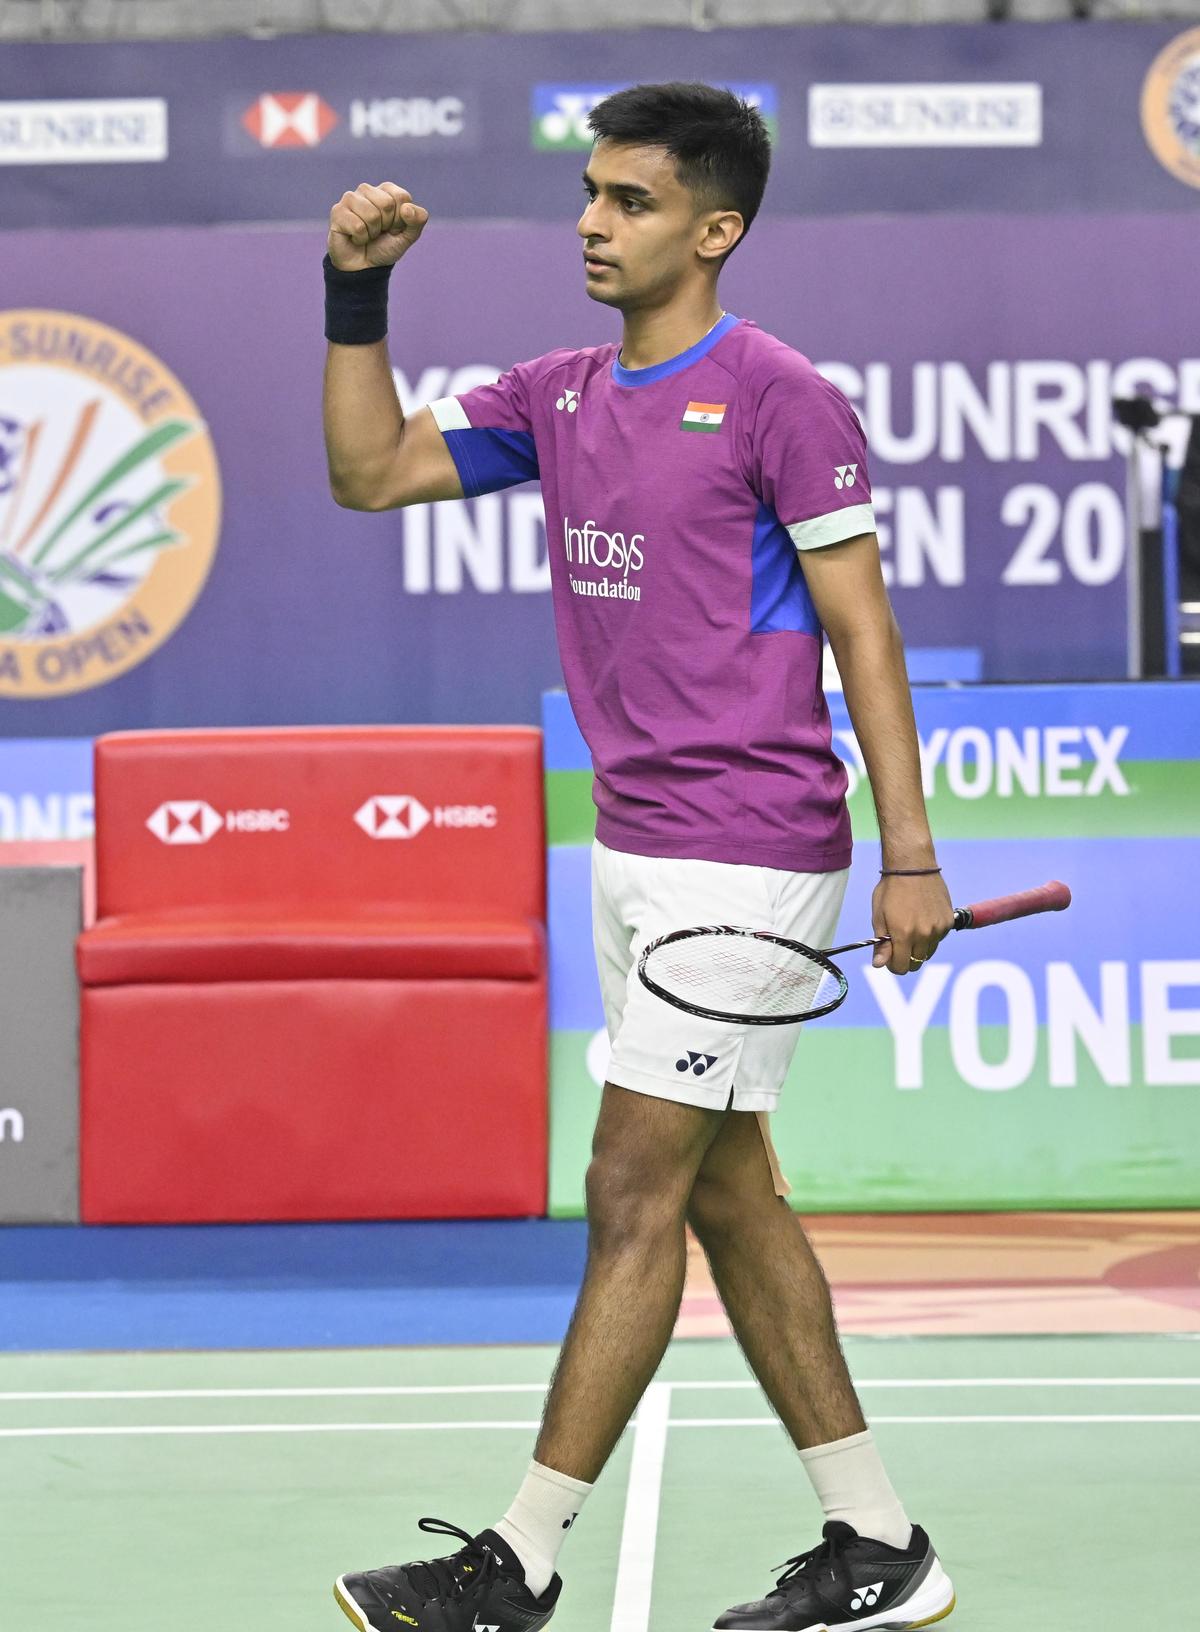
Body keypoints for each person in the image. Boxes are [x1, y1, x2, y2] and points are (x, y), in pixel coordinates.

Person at [322, 81, 956, 1632]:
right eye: (591, 195)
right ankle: (880, 1543)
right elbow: (371, 474)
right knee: (730, 1193)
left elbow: (864, 631)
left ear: (716, 228)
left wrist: (911, 854)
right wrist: (358, 295)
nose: (594, 223)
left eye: (634, 201)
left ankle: (518, 1560)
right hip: (637, 845)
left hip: (745, 852)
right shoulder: (560, 393)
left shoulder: (776, 397)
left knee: (628, 1191)